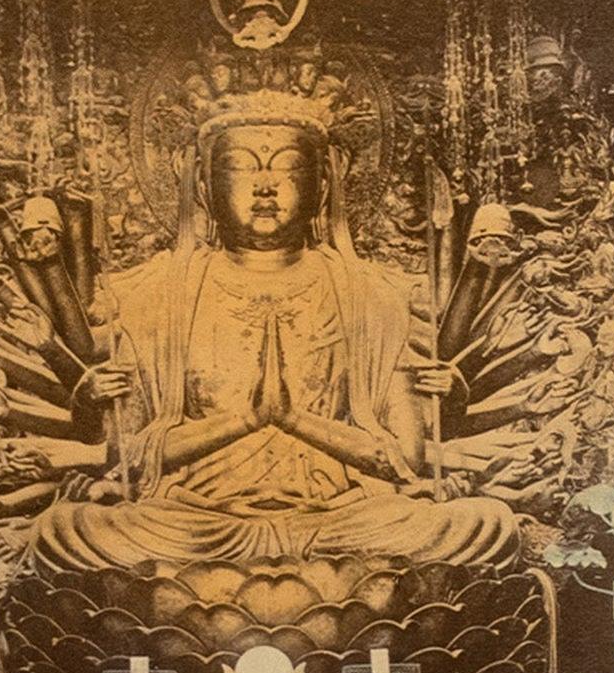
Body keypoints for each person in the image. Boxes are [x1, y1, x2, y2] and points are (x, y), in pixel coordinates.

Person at [25, 101, 518, 571]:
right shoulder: (156, 297)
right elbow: (125, 458)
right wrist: (246, 419)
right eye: (240, 167)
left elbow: (405, 459)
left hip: (343, 520)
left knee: (480, 524)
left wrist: (293, 419)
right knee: (69, 529)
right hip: (194, 521)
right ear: (203, 186)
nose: (265, 186)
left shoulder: (374, 297)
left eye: (287, 167)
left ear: (322, 186)